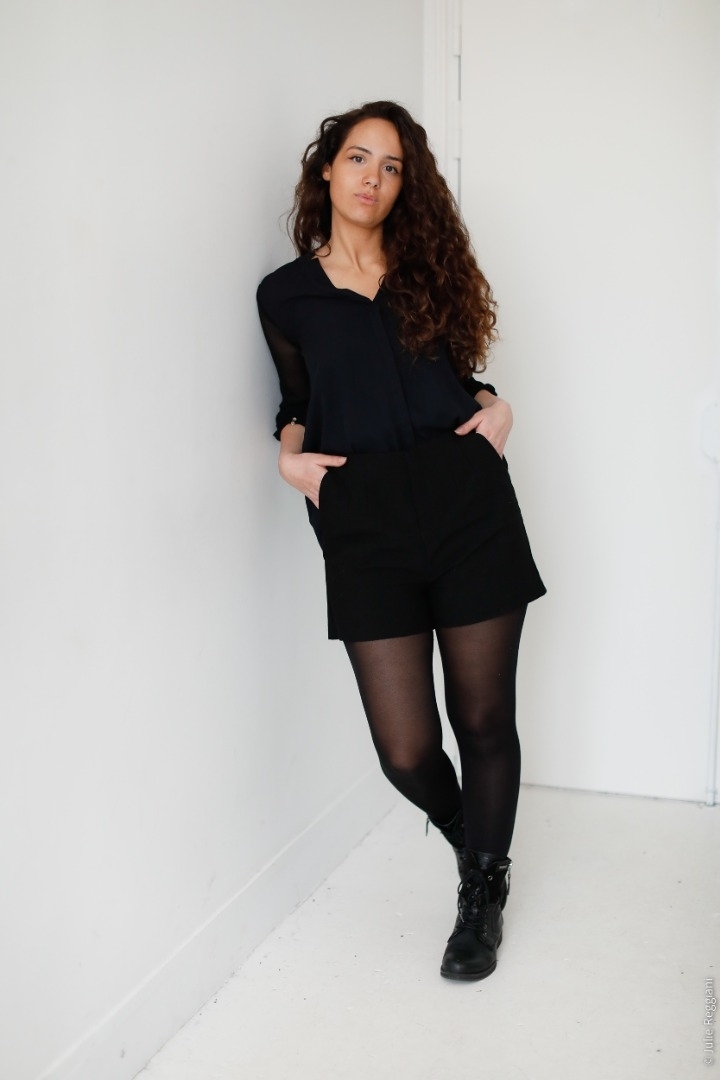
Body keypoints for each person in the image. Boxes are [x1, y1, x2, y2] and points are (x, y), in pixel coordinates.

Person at [257, 101, 545, 982]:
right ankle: (470, 834)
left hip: (466, 503)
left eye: (391, 167)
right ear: (327, 169)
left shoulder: (429, 271)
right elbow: (299, 401)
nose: (373, 179)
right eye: (358, 158)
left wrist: (496, 405)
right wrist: (289, 460)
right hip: (365, 518)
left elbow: (457, 375)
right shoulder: (285, 294)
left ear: (403, 185)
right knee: (408, 750)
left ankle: (482, 891)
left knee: (483, 718)